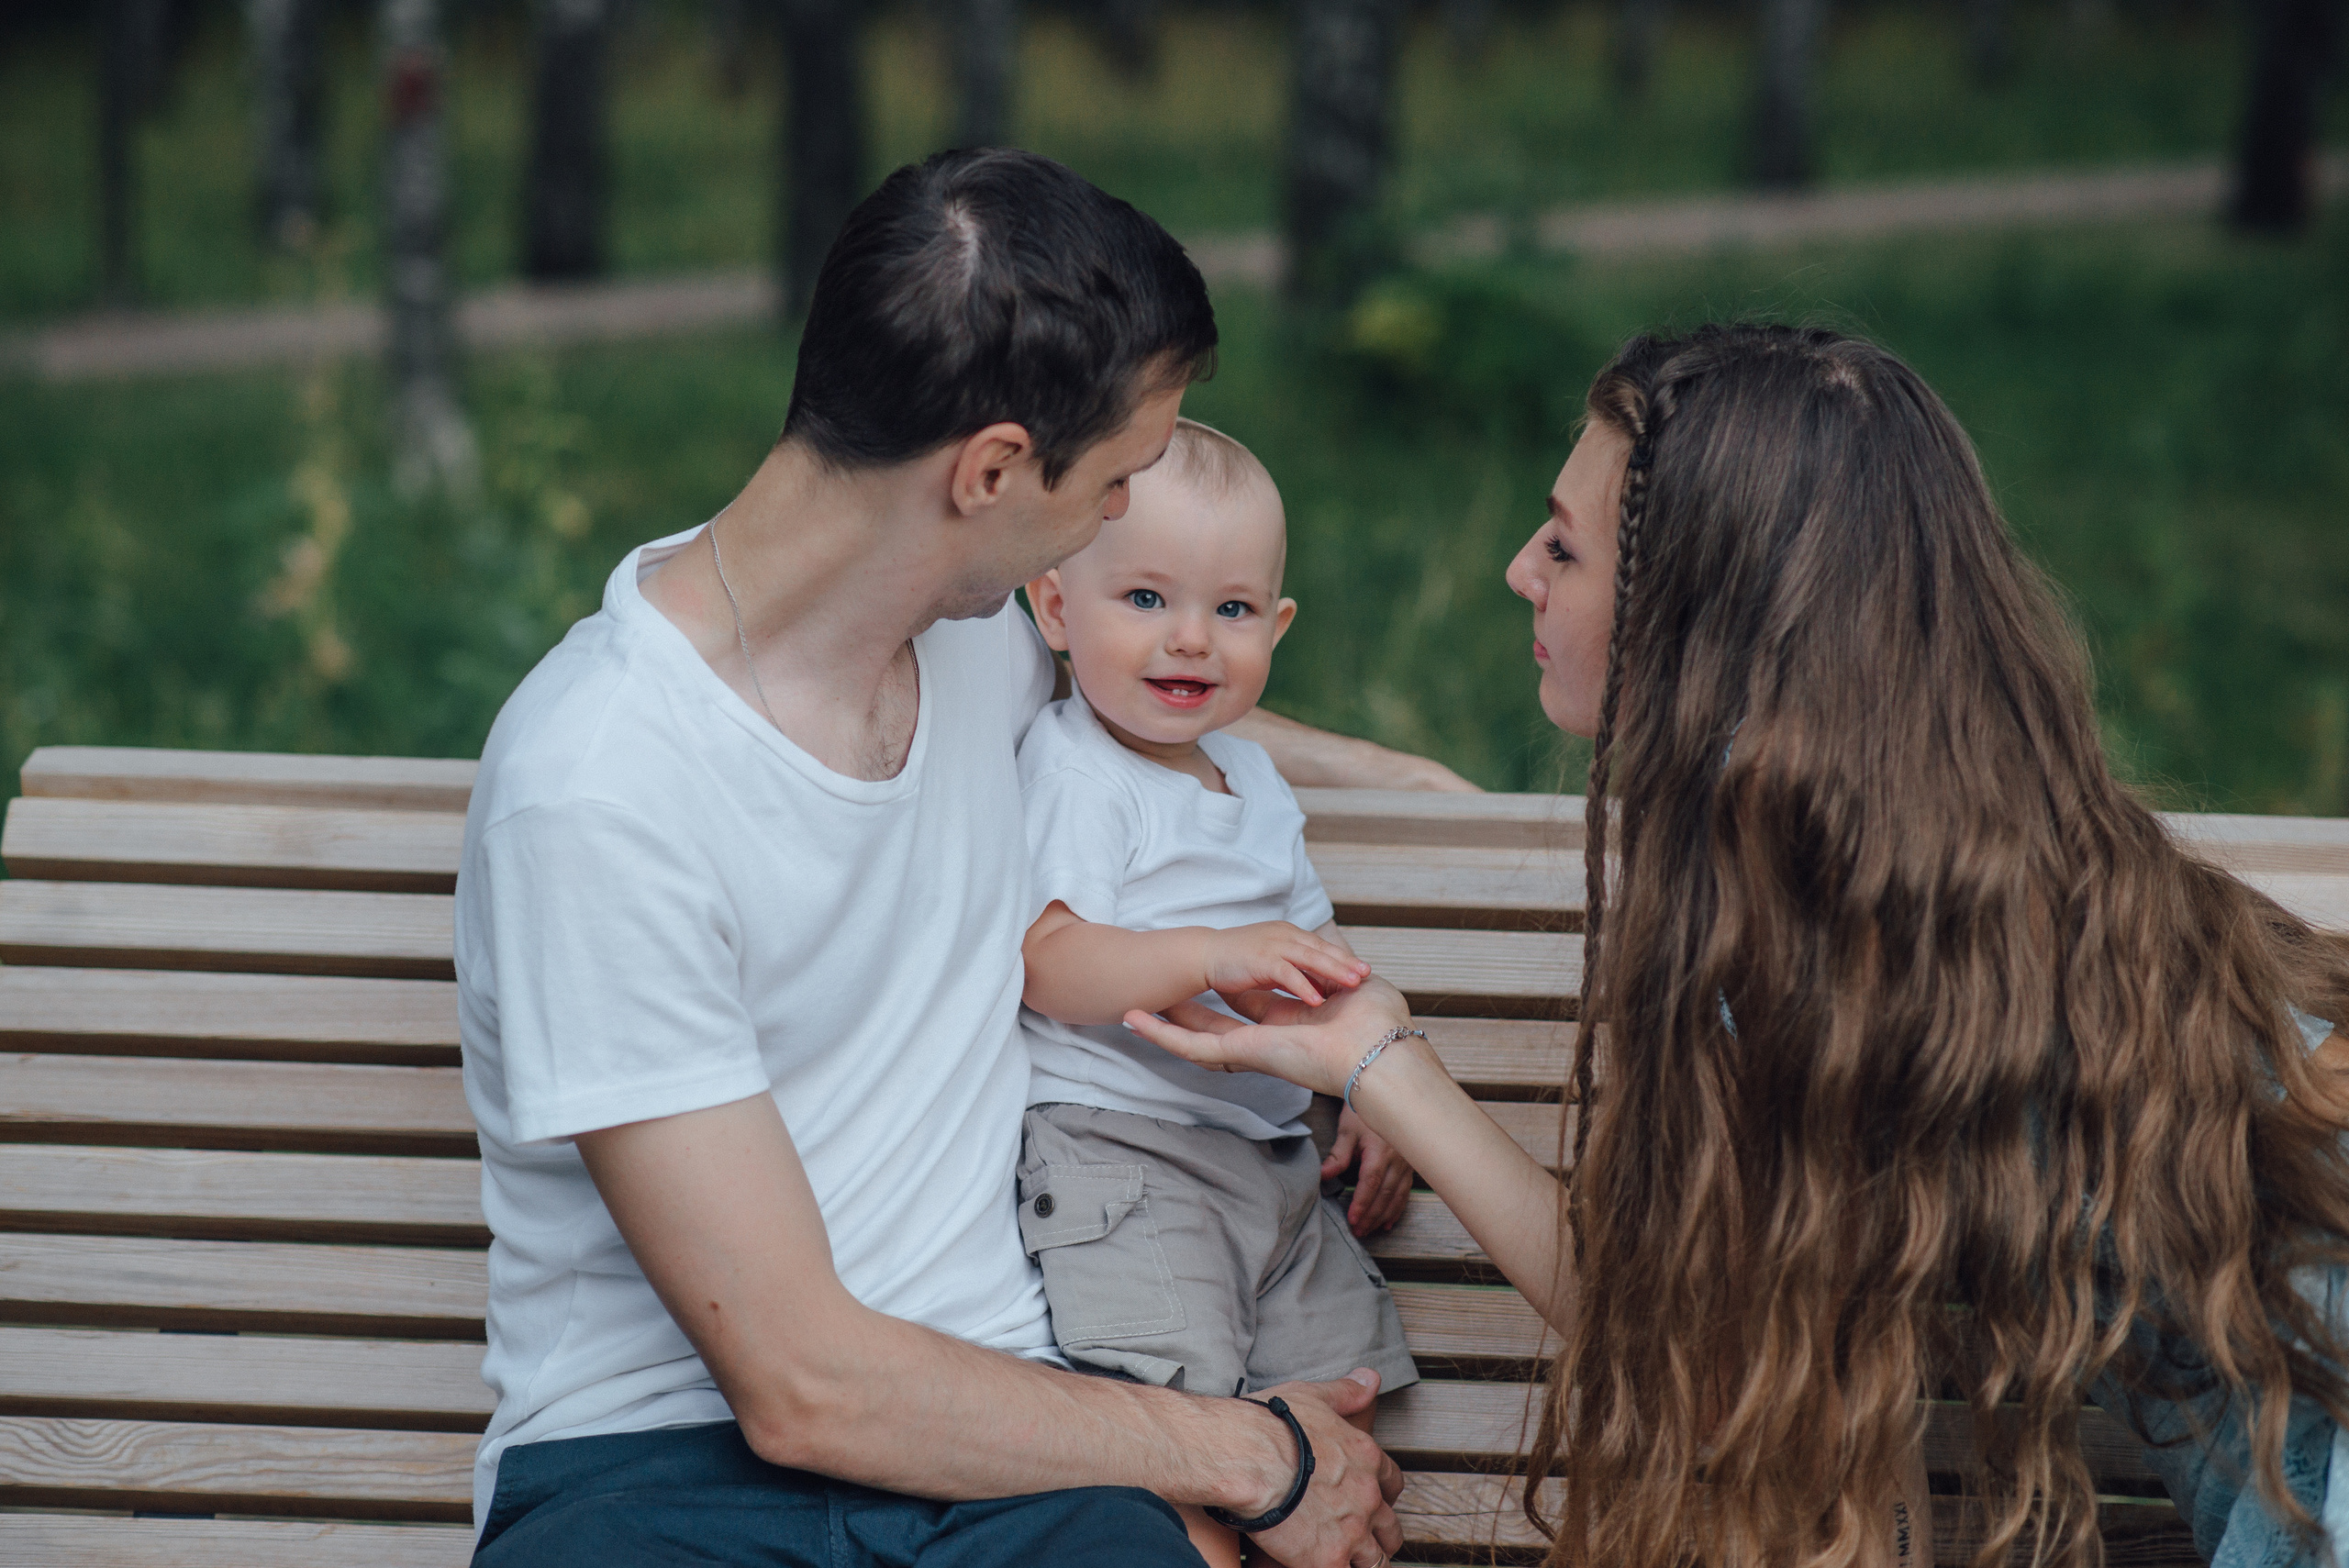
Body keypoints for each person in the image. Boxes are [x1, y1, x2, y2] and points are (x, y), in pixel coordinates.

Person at [1127, 323, 2349, 1568]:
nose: (1516, 571)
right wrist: (1313, 753)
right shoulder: (1927, 821)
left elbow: (1694, 1361)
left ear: (1688, 612)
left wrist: (1383, 1062)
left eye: (1563, 543)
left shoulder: (1798, 922)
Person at [455, 148, 1453, 1568]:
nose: (1118, 521)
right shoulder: (603, 788)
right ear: (990, 470)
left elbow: (1159, 688)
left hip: (1018, 1453)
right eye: (1114, 480)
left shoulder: (978, 633)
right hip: (655, 1475)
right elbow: (802, 1387)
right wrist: (1253, 1454)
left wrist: (1385, 776)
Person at [1014, 418, 1422, 1567]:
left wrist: (1380, 1090)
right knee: (1179, 1441)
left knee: (1341, 1402)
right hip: (1125, 1158)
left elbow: (1316, 952)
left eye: (1232, 610)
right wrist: (1206, 952)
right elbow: (1049, 962)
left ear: (1276, 628)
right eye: (1144, 598)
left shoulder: (1249, 771)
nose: (1190, 637)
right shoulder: (1074, 770)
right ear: (1054, 609)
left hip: (1276, 1167)